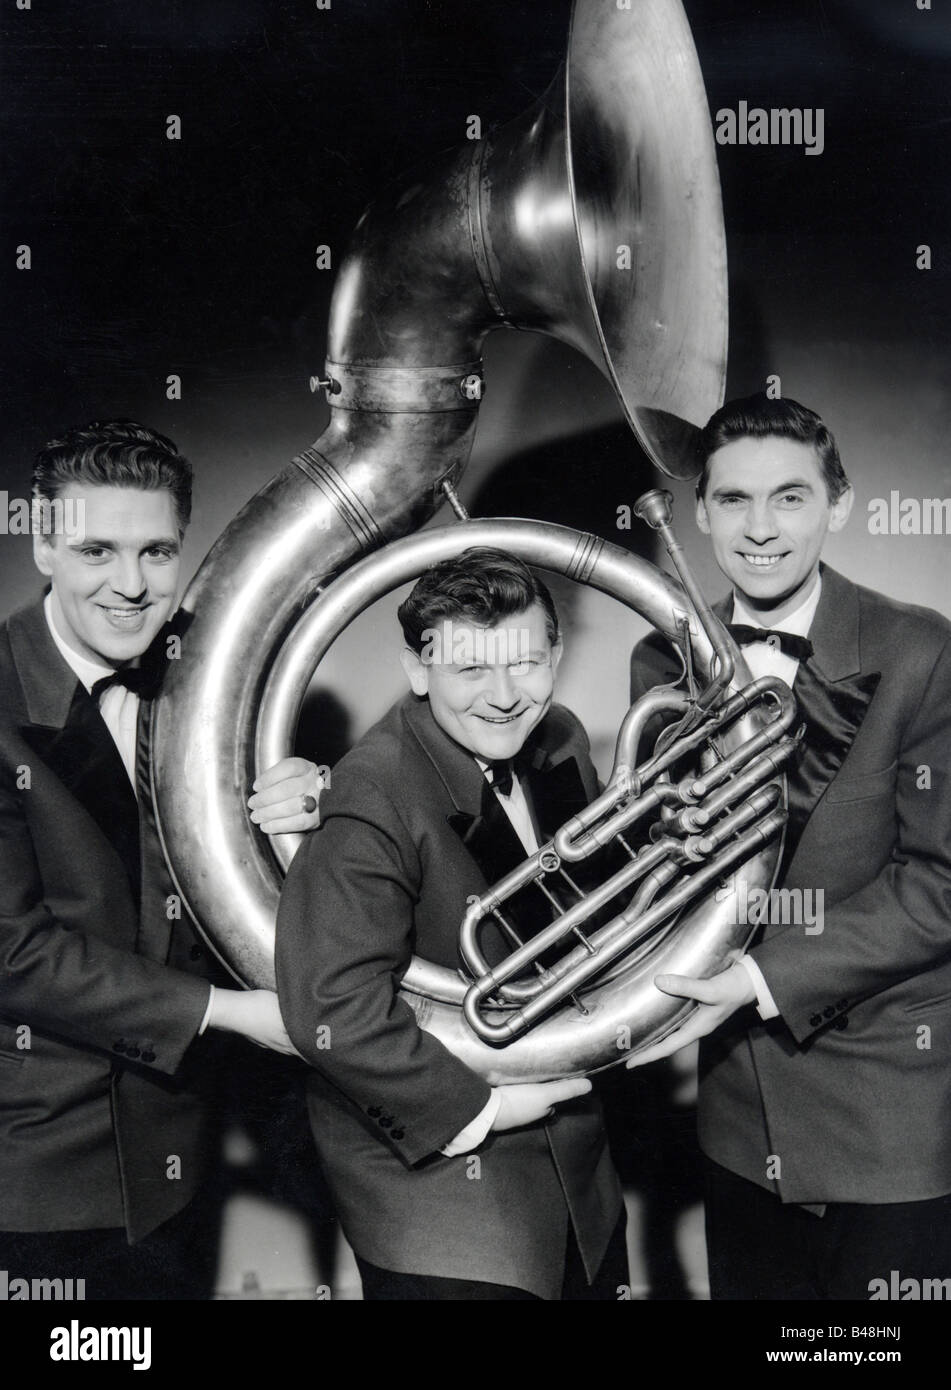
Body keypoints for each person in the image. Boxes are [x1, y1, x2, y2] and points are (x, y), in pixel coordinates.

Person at [626, 393, 951, 1299]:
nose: (759, 529)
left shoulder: (920, 649)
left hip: (885, 1107)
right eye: (732, 500)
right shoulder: (664, 659)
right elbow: (658, 861)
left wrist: (764, 979)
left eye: (790, 498)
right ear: (699, 514)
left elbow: (941, 884)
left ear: (837, 506)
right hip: (739, 1109)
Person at [0, 420, 320, 1299]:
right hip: (42, 1177)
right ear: (40, 542)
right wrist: (232, 1013)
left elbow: (222, 887)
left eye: (157, 551)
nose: (131, 586)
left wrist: (304, 810)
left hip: (186, 1149)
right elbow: (11, 955)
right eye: (97, 549)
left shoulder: (209, 675)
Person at [276, 548, 627, 1300]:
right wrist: (488, 1107)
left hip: (578, 1167)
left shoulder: (557, 734)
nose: (504, 697)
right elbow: (331, 1011)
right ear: (416, 668)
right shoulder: (370, 793)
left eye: (526, 663)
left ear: (555, 655)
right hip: (442, 1193)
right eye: (469, 671)